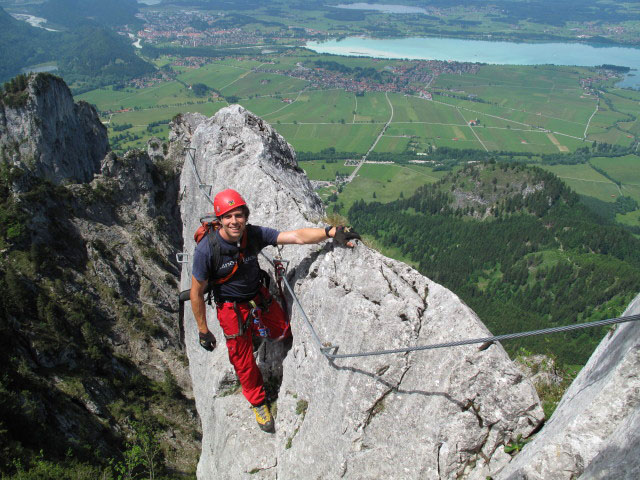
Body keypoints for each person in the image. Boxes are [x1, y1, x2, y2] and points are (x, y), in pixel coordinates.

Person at [190, 188, 360, 432]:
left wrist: (330, 231)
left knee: (282, 330)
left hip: (258, 295)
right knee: (243, 360)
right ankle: (258, 403)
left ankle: (257, 336)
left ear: (245, 216)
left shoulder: (254, 234)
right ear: (219, 220)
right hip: (231, 308)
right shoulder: (207, 249)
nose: (234, 221)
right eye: (228, 216)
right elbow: (196, 292)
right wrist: (203, 329)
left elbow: (296, 237)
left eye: (238, 215)